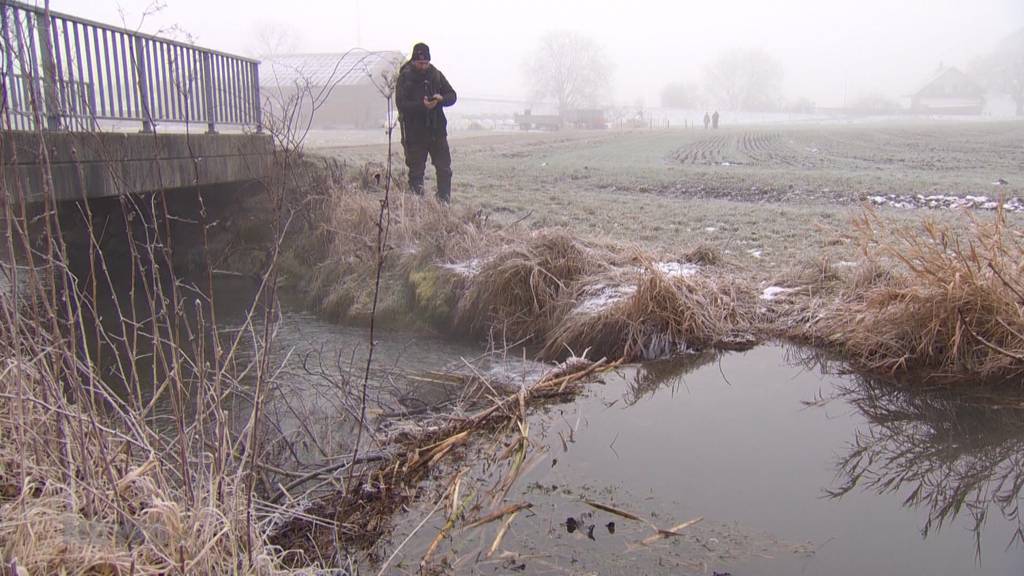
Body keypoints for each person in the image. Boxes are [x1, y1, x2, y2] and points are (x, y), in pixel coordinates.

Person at [396, 42, 457, 202]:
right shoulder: (405, 77)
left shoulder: (436, 74)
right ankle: (417, 208)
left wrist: (441, 99)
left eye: (426, 63)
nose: (423, 66)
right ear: (414, 60)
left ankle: (444, 205)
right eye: (420, 63)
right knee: (416, 173)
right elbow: (401, 105)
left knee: (444, 170)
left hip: (437, 132)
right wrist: (421, 106)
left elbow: (452, 95)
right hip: (415, 134)